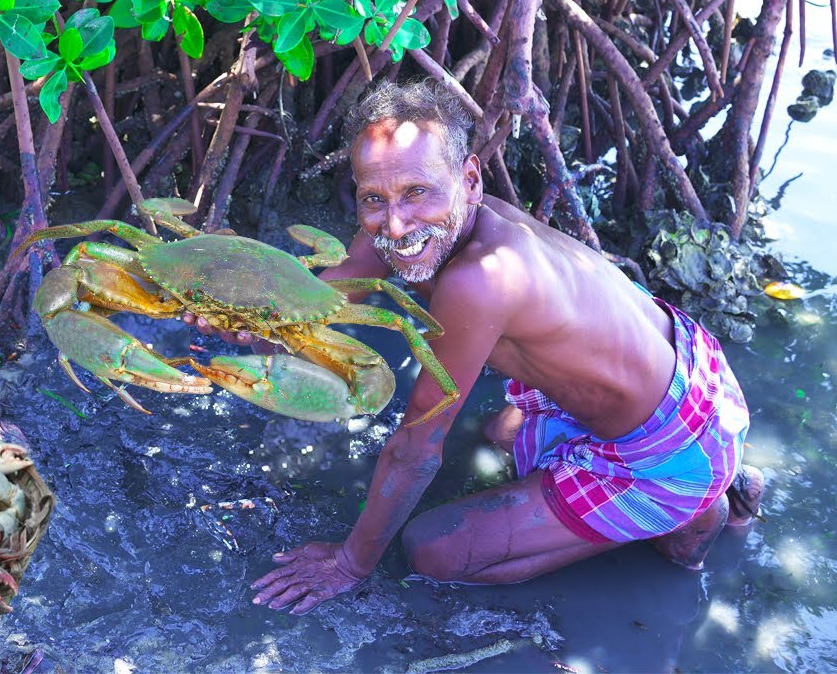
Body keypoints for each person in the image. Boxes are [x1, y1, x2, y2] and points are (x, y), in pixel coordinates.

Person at [234, 79, 763, 615]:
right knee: (498, 435)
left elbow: (416, 449)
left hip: (674, 446)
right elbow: (320, 298)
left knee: (433, 553)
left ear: (469, 178)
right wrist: (242, 320)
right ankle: (704, 486)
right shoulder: (419, 229)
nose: (394, 224)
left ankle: (696, 517)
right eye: (375, 198)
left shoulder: (480, 279)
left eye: (417, 192)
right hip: (696, 368)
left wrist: (350, 563)